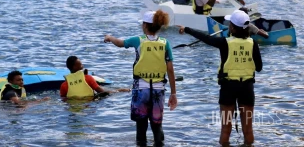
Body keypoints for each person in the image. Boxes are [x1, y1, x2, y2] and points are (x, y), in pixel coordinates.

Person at [178, 10, 262, 146]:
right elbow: (258, 68)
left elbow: (206, 38)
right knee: (248, 129)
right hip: (247, 89)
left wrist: (187, 29)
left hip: (228, 89)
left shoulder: (224, 42)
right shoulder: (253, 44)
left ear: (232, 27)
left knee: (225, 130)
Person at [104, 10, 177, 147]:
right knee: (157, 126)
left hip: (140, 89)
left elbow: (121, 43)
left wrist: (110, 37)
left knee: (141, 127)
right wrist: (173, 93)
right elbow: (170, 70)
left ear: (144, 25)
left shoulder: (138, 40)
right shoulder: (165, 43)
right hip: (158, 90)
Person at [60, 56, 129, 99]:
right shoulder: (88, 78)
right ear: (75, 67)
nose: (82, 65)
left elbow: (64, 99)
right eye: (81, 64)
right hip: (89, 105)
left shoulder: (64, 85)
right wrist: (119, 90)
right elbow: (102, 92)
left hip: (74, 105)